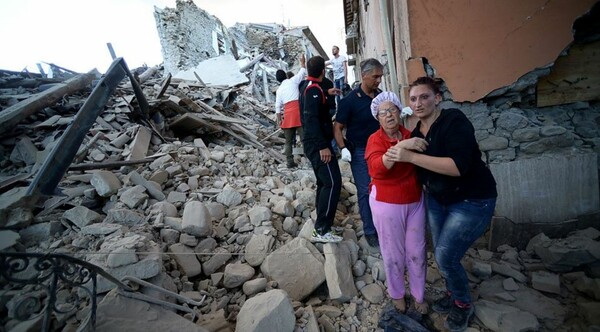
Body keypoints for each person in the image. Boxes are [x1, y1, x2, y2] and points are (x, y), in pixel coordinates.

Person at [392, 76, 498, 332]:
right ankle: (453, 293)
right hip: (440, 201)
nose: (418, 103)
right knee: (443, 255)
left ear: (437, 98)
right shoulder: (417, 134)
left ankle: (462, 303)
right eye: (413, 99)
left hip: (473, 199)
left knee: (445, 255)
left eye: (424, 97)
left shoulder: (454, 121)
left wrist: (411, 157)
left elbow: (457, 166)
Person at [365, 91, 428, 314]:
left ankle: (419, 294)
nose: (389, 115)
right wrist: (403, 146)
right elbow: (377, 169)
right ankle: (397, 294)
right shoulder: (375, 140)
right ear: (378, 118)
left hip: (414, 200)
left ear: (400, 112)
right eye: (383, 112)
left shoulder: (410, 134)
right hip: (387, 202)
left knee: (417, 251)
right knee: (393, 253)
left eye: (392, 110)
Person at [334, 58, 384, 247]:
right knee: (365, 191)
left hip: (381, 149)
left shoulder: (381, 97)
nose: (378, 80)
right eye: (375, 77)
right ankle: (370, 230)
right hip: (360, 152)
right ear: (363, 75)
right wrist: (343, 148)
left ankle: (384, 225)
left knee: (384, 187)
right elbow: (337, 127)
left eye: (380, 76)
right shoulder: (350, 101)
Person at [299, 55, 343, 243]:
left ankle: (322, 224)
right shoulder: (313, 91)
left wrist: (328, 91)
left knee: (324, 183)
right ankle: (322, 229)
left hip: (314, 143)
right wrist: (323, 146)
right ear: (323, 72)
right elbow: (311, 120)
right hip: (318, 145)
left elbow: (316, 93)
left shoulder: (307, 86)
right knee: (333, 182)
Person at [275, 54, 307, 169]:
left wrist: (280, 120)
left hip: (287, 116)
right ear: (285, 75)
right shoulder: (293, 81)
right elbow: (302, 72)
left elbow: (278, 108)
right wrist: (302, 62)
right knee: (304, 138)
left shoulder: (279, 90)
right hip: (298, 113)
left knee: (288, 141)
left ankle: (289, 162)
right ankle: (309, 160)